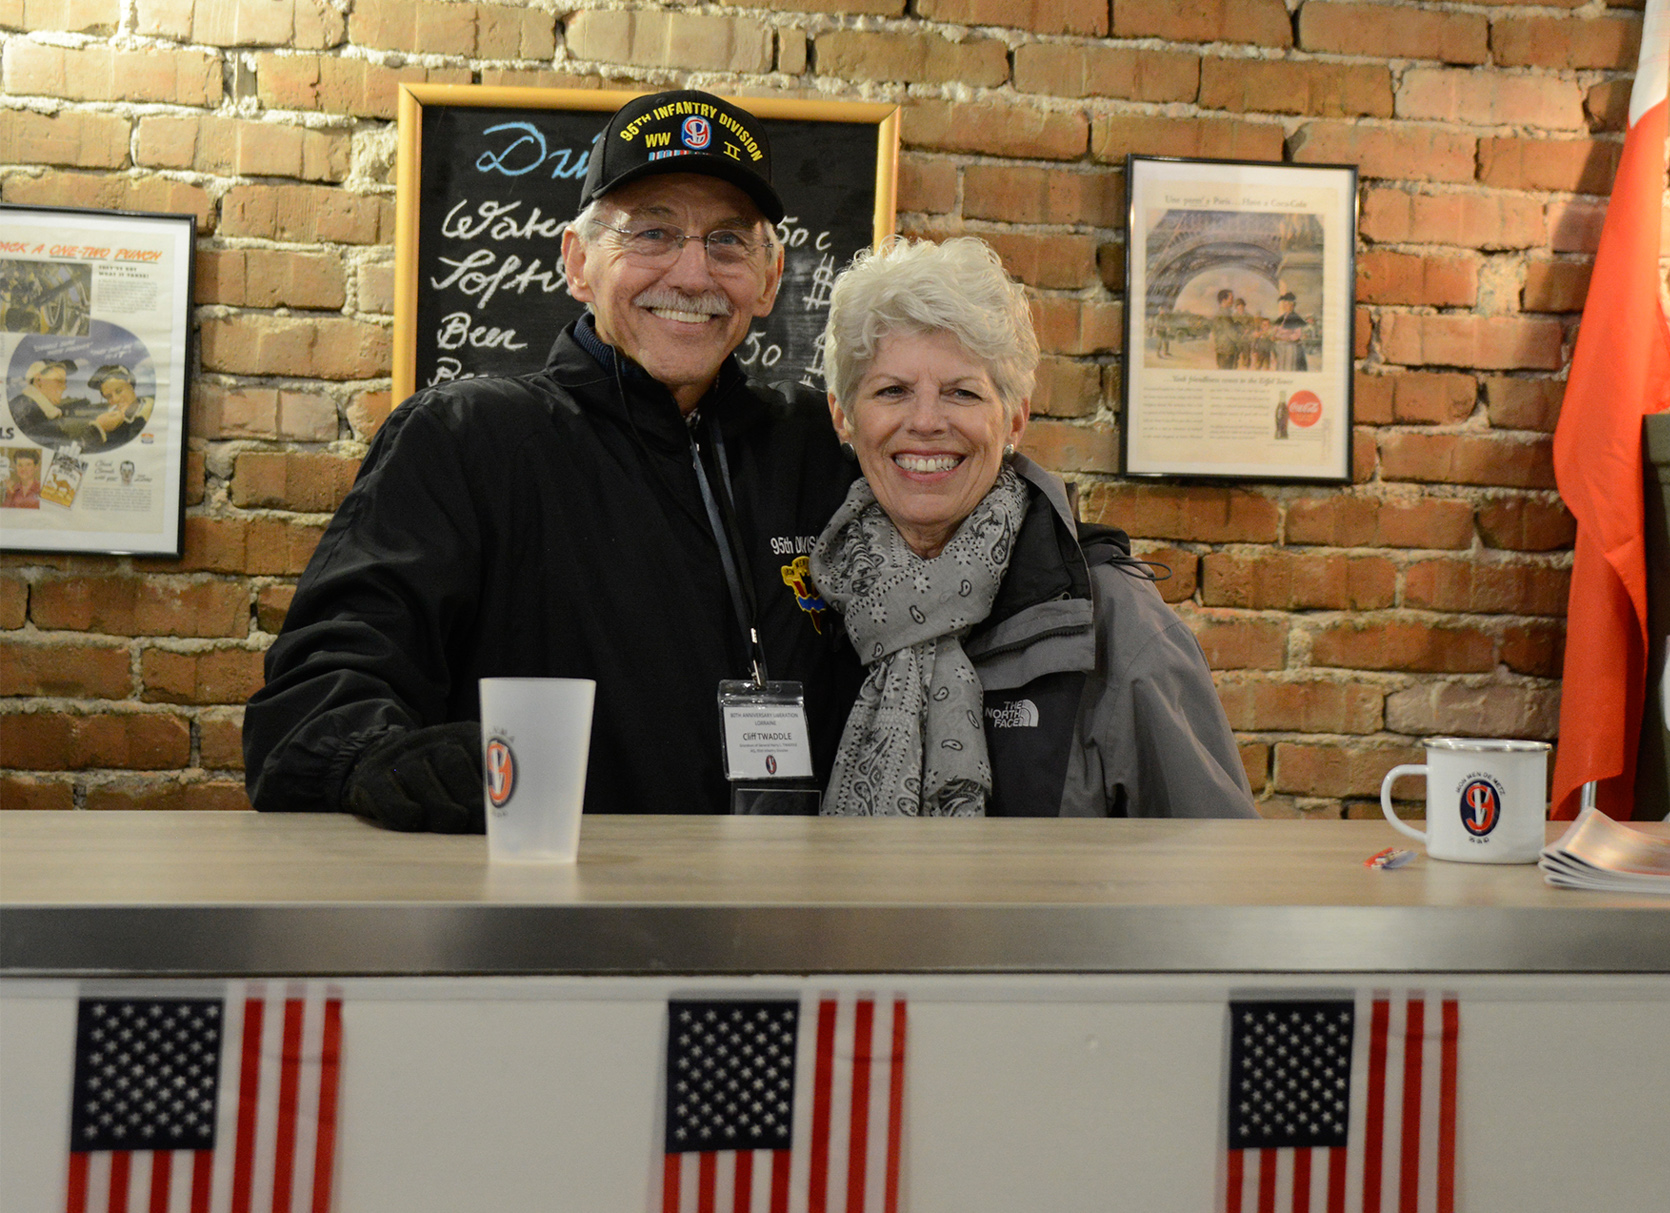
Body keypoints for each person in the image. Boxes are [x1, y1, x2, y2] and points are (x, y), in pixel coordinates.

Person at [243, 90, 863, 831]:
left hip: (789, 898)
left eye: (728, 241)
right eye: (653, 233)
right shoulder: (462, 440)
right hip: (550, 894)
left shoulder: (822, 446)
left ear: (770, 278)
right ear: (577, 263)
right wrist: (374, 754)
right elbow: (325, 683)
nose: (694, 275)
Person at [811, 236, 1257, 818]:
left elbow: (1217, 860)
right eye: (892, 391)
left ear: (1015, 418)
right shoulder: (811, 603)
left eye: (961, 393)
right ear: (843, 415)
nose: (925, 421)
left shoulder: (1116, 621)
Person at [10, 358, 83, 447]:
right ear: (38, 380)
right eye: (59, 380)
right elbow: (60, 447)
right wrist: (95, 430)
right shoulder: (28, 411)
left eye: (65, 382)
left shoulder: (35, 408)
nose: (65, 387)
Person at [80, 365, 152, 450]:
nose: (115, 399)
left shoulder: (150, 413)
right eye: (109, 396)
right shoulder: (110, 421)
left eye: (119, 391)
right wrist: (98, 428)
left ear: (130, 383)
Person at [1272, 292, 1311, 371]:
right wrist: (1274, 335)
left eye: (1286, 305)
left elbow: (1297, 335)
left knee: (1290, 368)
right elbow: (1276, 330)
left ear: (1292, 306)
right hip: (1282, 348)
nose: (1284, 307)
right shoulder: (1282, 317)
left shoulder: (1296, 318)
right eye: (1284, 304)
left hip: (1291, 348)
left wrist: (1283, 338)